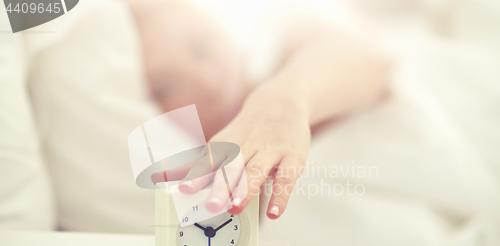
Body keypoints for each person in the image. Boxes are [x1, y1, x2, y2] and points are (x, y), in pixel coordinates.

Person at [126, 0, 391, 219]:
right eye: (165, 87)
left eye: (202, 46)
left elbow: (365, 56)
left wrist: (284, 103)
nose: (211, 85)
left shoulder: (288, 42)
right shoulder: (195, 186)